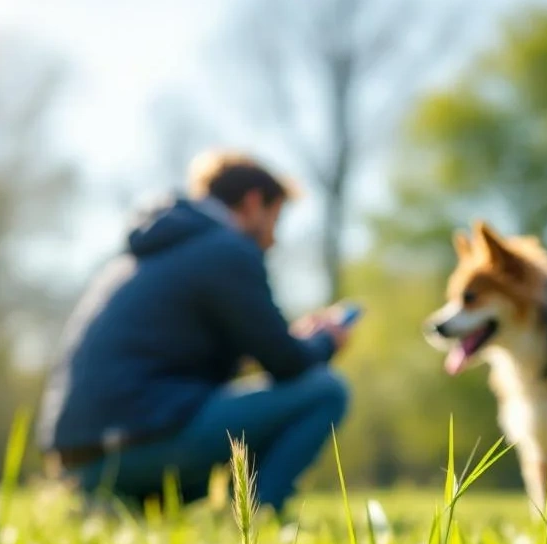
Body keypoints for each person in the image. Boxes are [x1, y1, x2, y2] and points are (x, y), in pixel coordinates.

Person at [36, 151, 353, 512]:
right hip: (142, 445)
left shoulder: (148, 252)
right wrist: (325, 340)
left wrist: (280, 344)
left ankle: (114, 504)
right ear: (252, 203)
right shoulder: (227, 249)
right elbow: (285, 362)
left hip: (79, 459)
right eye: (275, 219)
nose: (273, 240)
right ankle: (260, 514)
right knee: (326, 390)